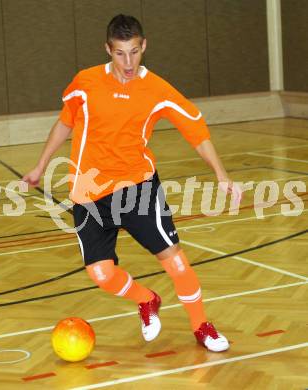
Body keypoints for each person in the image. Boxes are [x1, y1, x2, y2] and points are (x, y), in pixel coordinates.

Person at [23, 14, 242, 352]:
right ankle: (147, 299)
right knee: (101, 274)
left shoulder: (157, 89)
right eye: (120, 53)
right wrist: (39, 166)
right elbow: (65, 123)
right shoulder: (85, 82)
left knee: (175, 260)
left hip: (136, 187)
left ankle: (201, 326)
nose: (128, 61)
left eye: (135, 52)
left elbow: (196, 132)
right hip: (88, 193)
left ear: (144, 46)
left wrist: (221, 174)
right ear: (108, 49)